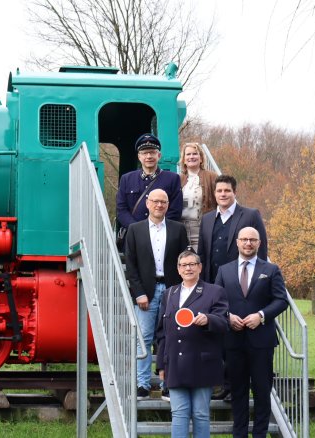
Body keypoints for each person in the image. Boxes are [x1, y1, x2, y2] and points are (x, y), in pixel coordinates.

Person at [215, 227, 288, 438]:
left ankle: (259, 435)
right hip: (233, 340)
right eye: (244, 239)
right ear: (237, 242)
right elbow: (217, 302)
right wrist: (228, 317)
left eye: (252, 240)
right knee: (237, 392)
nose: (248, 243)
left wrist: (261, 316)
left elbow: (281, 300)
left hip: (261, 341)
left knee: (262, 392)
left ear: (259, 243)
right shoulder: (224, 270)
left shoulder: (271, 270)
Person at [124, 188, 189, 398]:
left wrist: (182, 292)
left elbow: (184, 262)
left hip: (172, 291)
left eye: (163, 202)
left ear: (168, 205)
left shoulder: (179, 229)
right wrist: (138, 292)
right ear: (147, 203)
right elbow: (131, 265)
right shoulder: (135, 229)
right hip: (146, 292)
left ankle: (167, 382)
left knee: (171, 337)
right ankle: (142, 384)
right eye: (155, 201)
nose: (159, 205)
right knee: (143, 337)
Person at [155, 250, 228, 438]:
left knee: (200, 414)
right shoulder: (169, 294)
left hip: (202, 363)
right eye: (184, 265)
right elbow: (162, 333)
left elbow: (224, 322)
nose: (188, 268)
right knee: (179, 413)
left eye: (192, 264)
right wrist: (161, 365)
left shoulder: (214, 291)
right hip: (175, 364)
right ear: (178, 269)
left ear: (200, 267)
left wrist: (208, 319)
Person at [197, 174, 268, 284]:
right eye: (219, 191)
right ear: (215, 193)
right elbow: (201, 254)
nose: (223, 194)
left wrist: (259, 281)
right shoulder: (206, 219)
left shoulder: (251, 215)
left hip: (240, 282)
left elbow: (261, 251)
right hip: (211, 283)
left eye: (227, 190)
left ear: (234, 193)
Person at [116, 133, 183, 231]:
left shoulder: (172, 179)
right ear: (139, 156)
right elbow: (121, 210)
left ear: (159, 155)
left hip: (162, 234)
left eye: (152, 152)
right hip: (134, 236)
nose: (149, 156)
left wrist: (156, 228)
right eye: (144, 153)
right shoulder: (126, 179)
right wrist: (137, 229)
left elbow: (175, 210)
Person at [178, 142, 218, 250]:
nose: (191, 157)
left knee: (203, 261)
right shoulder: (178, 179)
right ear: (184, 159)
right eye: (188, 154)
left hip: (203, 228)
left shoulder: (212, 177)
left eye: (195, 154)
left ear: (201, 158)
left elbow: (221, 200)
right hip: (181, 229)